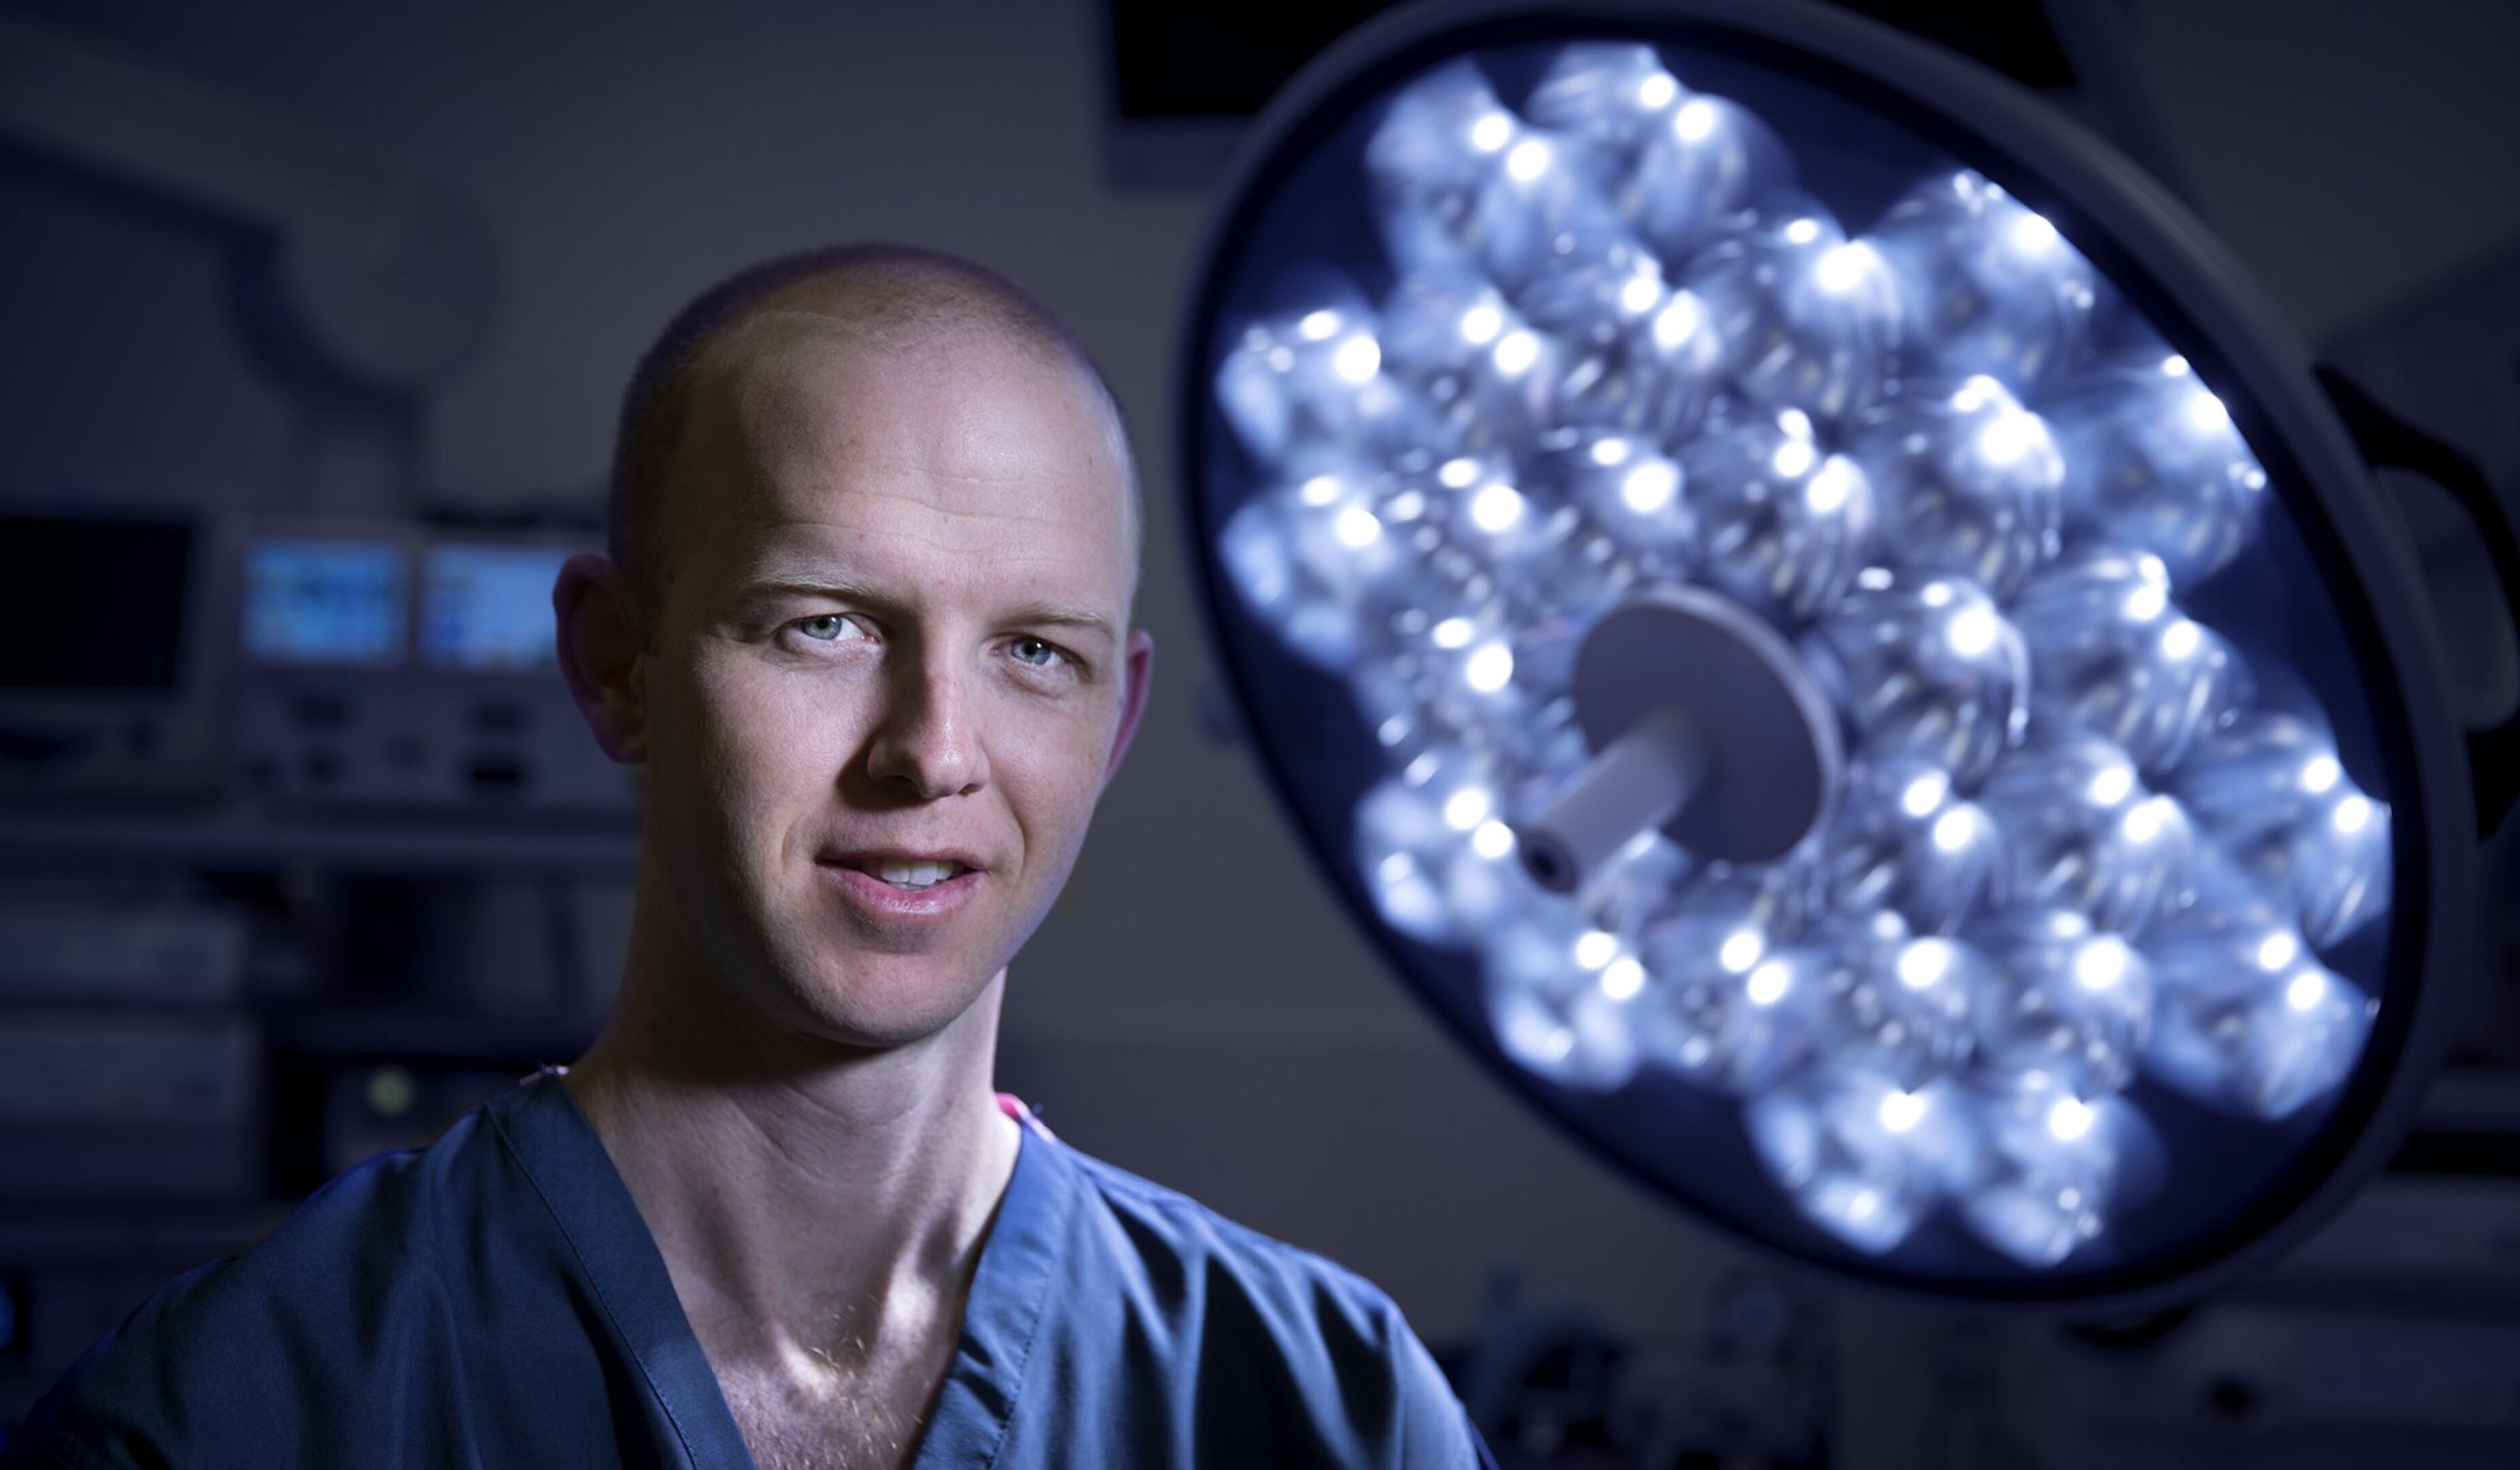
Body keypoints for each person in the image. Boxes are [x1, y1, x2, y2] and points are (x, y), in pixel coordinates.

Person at [7, 246, 1498, 1469]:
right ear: (618, 666)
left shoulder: (1329, 1412)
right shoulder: (244, 1418)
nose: (933, 751)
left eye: (1036, 653)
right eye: (825, 626)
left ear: (1115, 723)